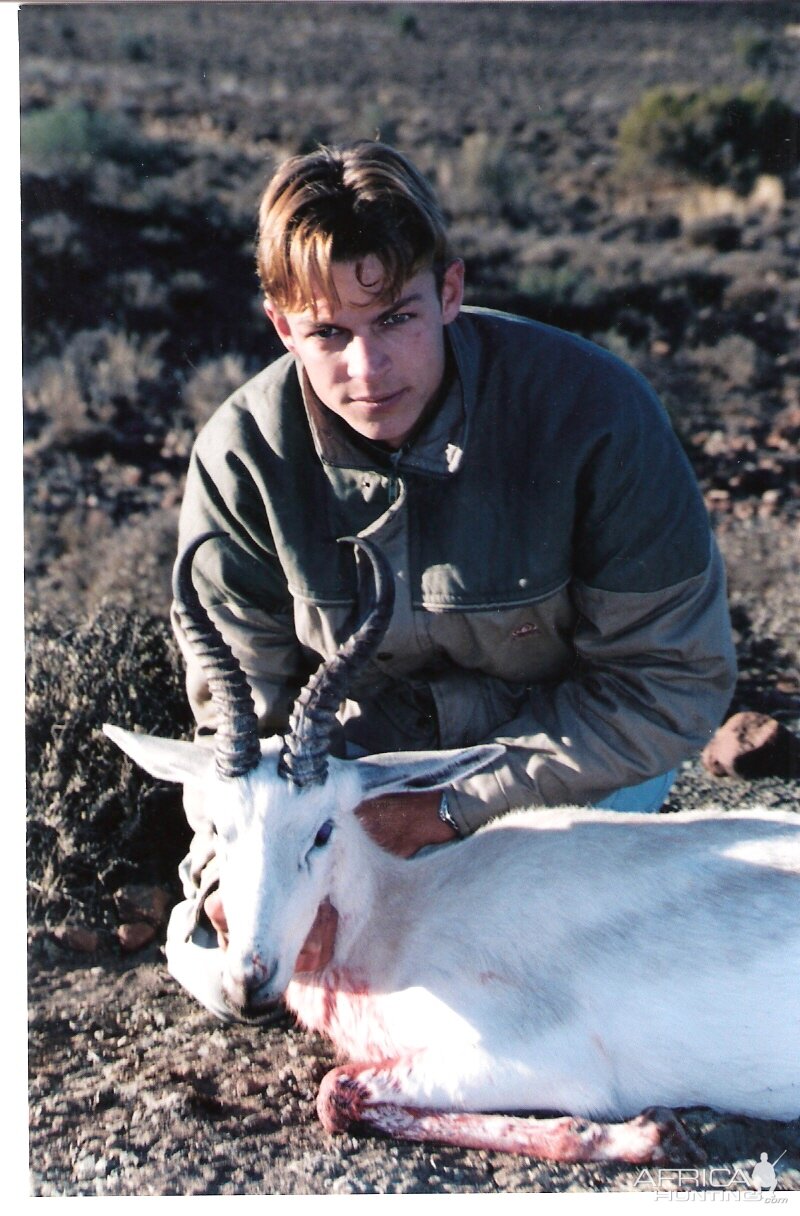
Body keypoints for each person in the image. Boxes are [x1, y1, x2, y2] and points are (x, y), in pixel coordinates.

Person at [169, 140, 736, 992]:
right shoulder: (241, 458)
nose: (368, 370)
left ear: (451, 292)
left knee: (538, 958)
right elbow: (241, 734)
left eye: (395, 316)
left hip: (563, 755)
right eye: (328, 332)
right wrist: (235, 878)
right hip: (350, 783)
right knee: (230, 969)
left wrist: (446, 811)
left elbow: (672, 687)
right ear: (283, 328)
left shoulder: (595, 414)